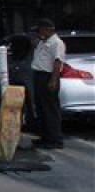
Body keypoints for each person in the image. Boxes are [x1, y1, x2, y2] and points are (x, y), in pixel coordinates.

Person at [31, 18, 65, 149]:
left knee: (50, 108)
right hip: (39, 76)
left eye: (40, 29)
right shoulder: (43, 42)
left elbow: (57, 62)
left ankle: (55, 139)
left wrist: (53, 80)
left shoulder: (56, 43)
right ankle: (45, 137)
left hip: (48, 77)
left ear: (47, 29)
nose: (39, 32)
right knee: (41, 108)